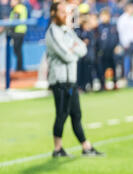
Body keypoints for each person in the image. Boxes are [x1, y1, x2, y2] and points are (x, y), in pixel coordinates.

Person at [45, 1, 103, 158]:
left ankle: (86, 147)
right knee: (62, 114)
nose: (65, 14)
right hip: (59, 80)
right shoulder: (52, 32)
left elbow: (83, 49)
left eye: (66, 11)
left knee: (76, 114)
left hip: (71, 79)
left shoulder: (67, 30)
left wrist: (72, 49)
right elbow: (65, 54)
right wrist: (72, 50)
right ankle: (58, 149)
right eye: (62, 11)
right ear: (53, 13)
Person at [97, 8, 119, 90]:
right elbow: (97, 39)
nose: (104, 18)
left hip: (112, 51)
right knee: (102, 68)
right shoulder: (99, 27)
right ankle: (103, 84)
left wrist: (117, 45)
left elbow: (116, 37)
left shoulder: (112, 27)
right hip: (102, 52)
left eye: (106, 16)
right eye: (102, 16)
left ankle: (115, 83)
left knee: (113, 67)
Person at [117, 2, 133, 80]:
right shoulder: (122, 19)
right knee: (126, 60)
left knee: (132, 60)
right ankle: (125, 76)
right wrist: (125, 43)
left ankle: (130, 76)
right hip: (126, 43)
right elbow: (121, 32)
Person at [9, 0, 28, 72]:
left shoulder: (18, 8)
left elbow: (15, 19)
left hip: (17, 32)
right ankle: (19, 67)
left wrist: (10, 30)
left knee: (17, 50)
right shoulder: (23, 7)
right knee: (18, 50)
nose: (11, 2)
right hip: (22, 31)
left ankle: (19, 68)